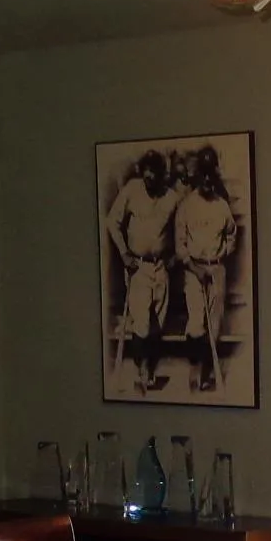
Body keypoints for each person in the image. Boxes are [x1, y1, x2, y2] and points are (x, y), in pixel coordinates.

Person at [102, 148, 180, 393]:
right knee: (142, 325)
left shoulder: (172, 197)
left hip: (160, 267)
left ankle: (150, 370)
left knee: (158, 324)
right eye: (145, 175)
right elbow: (112, 221)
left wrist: (176, 254)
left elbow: (181, 228)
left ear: (161, 175)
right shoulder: (132, 190)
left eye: (153, 175)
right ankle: (141, 370)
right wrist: (124, 254)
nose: (149, 180)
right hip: (138, 267)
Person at [171, 145, 244, 392]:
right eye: (203, 176)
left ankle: (207, 372)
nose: (207, 181)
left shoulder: (221, 205)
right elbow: (180, 246)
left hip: (217, 270)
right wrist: (195, 266)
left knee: (215, 325)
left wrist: (222, 255)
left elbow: (232, 234)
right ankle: (195, 373)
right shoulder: (186, 206)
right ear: (197, 176)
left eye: (211, 176)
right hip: (194, 271)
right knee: (196, 324)